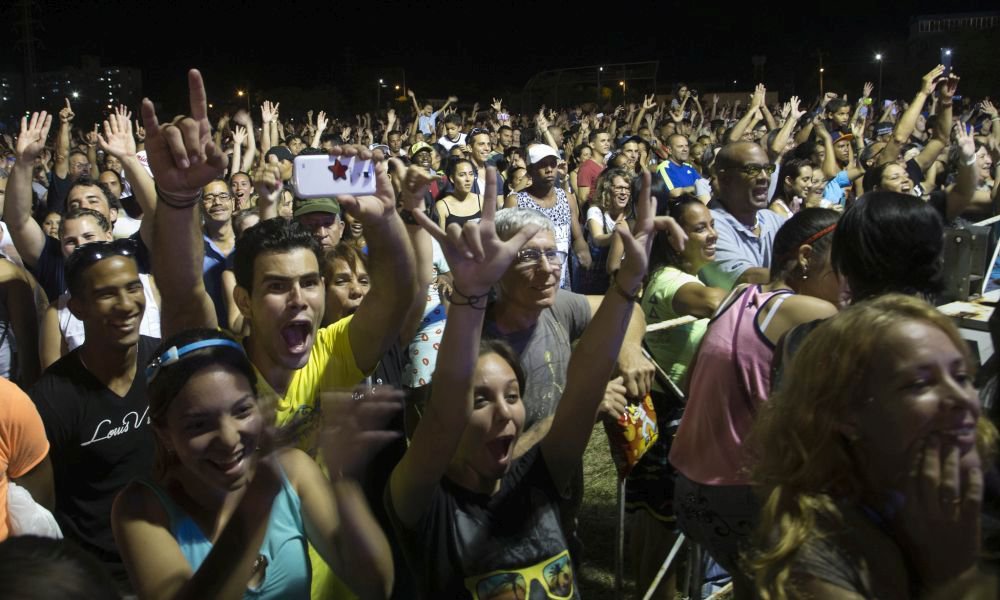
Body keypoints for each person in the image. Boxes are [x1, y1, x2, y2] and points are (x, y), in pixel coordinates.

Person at [140, 68, 418, 599]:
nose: (299, 300)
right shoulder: (219, 372)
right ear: (242, 299)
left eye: (311, 283)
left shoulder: (333, 349)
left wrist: (384, 221)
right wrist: (177, 202)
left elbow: (395, 296)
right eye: (276, 286)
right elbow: (180, 297)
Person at [386, 161, 653, 598]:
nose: (506, 411)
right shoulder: (430, 507)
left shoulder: (541, 486)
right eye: (480, 400)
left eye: (514, 394)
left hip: (560, 514)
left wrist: (627, 285)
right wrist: (471, 295)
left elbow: (583, 384)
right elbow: (442, 414)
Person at [110, 329, 395, 600]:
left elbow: (375, 586)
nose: (228, 437)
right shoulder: (141, 509)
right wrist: (260, 496)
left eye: (242, 411)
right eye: (199, 424)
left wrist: (344, 481)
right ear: (164, 434)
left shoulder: (293, 472)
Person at [750, 294, 996, 599]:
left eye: (961, 376)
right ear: (845, 414)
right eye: (919, 384)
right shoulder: (815, 554)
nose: (961, 399)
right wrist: (952, 580)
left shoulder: (975, 483)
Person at [671, 208, 843, 599]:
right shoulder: (813, 312)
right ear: (804, 258)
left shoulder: (737, 299)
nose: (847, 280)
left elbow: (694, 376)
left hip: (691, 487)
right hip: (745, 495)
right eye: (842, 266)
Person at [29, 238, 158, 592]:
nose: (126, 304)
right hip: (103, 580)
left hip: (177, 559)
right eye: (106, 294)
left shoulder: (167, 365)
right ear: (78, 307)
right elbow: (42, 508)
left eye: (133, 288)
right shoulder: (52, 398)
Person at [629, 197, 727, 598]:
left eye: (711, 225)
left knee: (656, 520)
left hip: (664, 414)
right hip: (666, 418)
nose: (712, 234)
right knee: (664, 524)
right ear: (675, 240)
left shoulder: (689, 274)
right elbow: (714, 302)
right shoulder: (671, 281)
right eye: (700, 228)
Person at [700, 141, 786, 290]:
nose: (764, 177)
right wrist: (808, 278)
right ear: (725, 179)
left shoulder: (771, 218)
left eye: (768, 169)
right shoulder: (709, 226)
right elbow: (747, 278)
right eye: (752, 169)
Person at [575, 167, 633, 294]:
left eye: (627, 188)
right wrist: (618, 234)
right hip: (597, 279)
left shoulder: (631, 214)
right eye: (618, 188)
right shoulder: (596, 211)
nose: (623, 192)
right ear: (608, 189)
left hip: (622, 278)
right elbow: (597, 238)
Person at [435, 158, 484, 229]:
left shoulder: (481, 200)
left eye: (471, 174)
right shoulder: (442, 206)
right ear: (452, 178)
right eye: (462, 175)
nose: (468, 179)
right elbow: (439, 238)